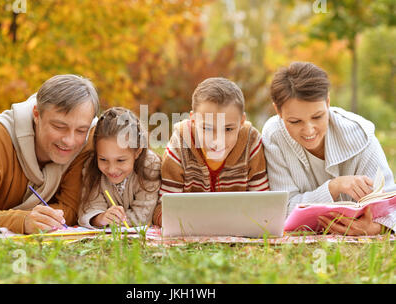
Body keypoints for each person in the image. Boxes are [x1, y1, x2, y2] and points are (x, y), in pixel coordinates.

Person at [0, 74, 99, 234]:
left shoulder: (89, 140)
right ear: (36, 115)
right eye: (59, 127)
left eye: (81, 130)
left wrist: (39, 219)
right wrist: (23, 220)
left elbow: (71, 209)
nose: (70, 140)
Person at [262, 61, 396, 235]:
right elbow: (282, 209)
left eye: (317, 116)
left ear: (327, 102)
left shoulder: (360, 135)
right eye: (295, 121)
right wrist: (333, 187)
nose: (309, 130)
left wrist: (376, 228)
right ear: (278, 111)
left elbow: (390, 203)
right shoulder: (274, 136)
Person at [152, 77, 269, 226]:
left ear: (241, 122)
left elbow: (264, 204)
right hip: (191, 227)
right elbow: (164, 208)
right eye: (207, 128)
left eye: (228, 129)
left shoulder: (251, 142)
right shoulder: (180, 145)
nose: (217, 140)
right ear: (193, 121)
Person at [78, 107, 161, 228]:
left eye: (120, 160)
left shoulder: (150, 166)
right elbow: (89, 209)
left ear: (137, 151)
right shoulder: (92, 166)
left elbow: (143, 215)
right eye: (103, 159)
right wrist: (101, 218)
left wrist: (117, 221)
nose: (112, 169)